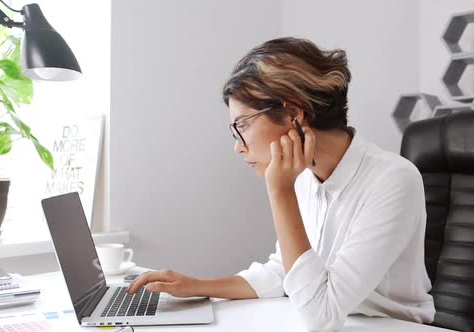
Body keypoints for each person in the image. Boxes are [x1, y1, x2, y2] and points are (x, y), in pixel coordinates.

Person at [127, 37, 435, 331]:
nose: (238, 146)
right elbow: (283, 272)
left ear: (293, 114)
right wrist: (196, 287)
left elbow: (322, 315)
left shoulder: (393, 180)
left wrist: (280, 190)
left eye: (243, 125)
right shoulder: (304, 179)